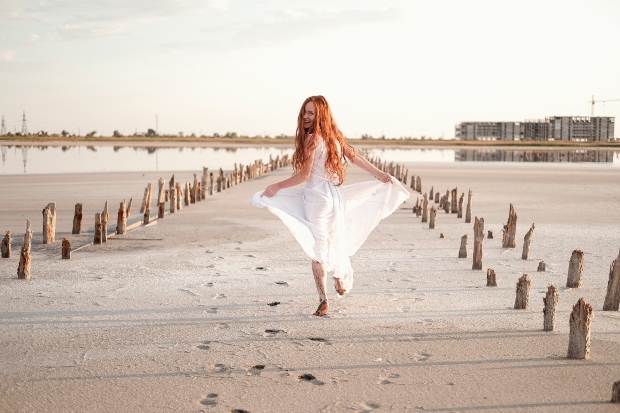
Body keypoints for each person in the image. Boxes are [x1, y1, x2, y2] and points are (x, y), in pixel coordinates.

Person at [251, 95, 409, 316]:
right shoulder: (334, 137)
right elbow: (355, 158)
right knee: (334, 236)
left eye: (311, 113)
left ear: (320, 115)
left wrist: (277, 186)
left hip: (318, 199)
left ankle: (323, 299)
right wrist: (379, 173)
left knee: (318, 247)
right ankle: (339, 281)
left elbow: (305, 175)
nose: (306, 116)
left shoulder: (313, 139)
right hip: (336, 196)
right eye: (305, 112)